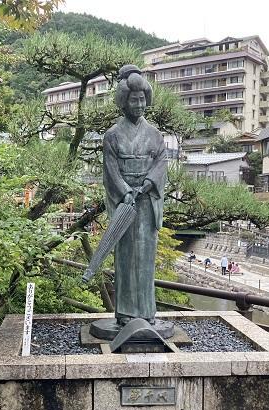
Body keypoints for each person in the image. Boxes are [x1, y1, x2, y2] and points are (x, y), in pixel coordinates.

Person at [103, 65, 167, 325]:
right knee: (127, 257)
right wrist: (126, 191)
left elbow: (161, 162)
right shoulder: (112, 135)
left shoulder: (155, 135)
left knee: (146, 257)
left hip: (147, 200)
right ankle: (127, 313)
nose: (139, 104)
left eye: (142, 99)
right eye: (133, 99)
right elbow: (110, 170)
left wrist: (150, 183)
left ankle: (146, 312)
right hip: (126, 203)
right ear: (124, 101)